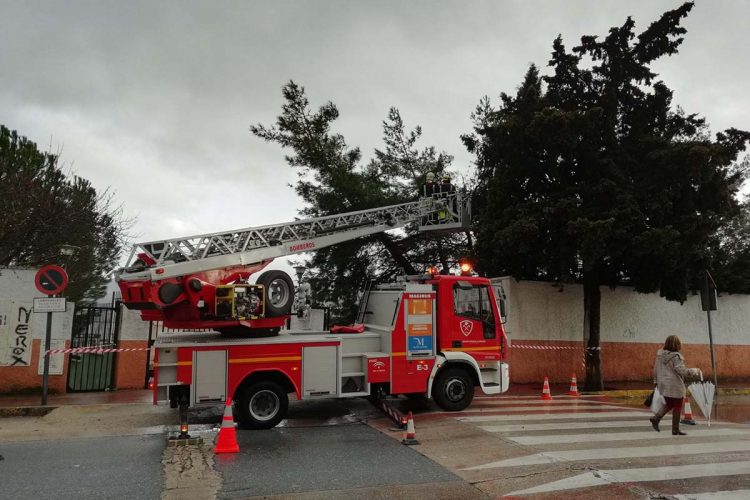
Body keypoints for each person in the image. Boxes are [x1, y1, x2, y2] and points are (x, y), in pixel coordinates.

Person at [649, 335, 701, 435]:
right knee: (677, 405)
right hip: (675, 385)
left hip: (663, 384)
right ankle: (675, 429)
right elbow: (681, 370)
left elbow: (655, 369)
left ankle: (656, 418)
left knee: (669, 403)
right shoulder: (676, 356)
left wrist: (656, 382)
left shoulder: (660, 355)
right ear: (677, 344)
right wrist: (694, 371)